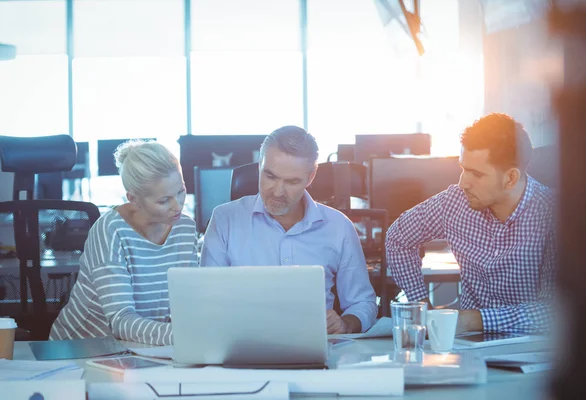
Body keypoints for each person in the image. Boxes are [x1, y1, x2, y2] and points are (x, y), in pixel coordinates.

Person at [386, 113, 556, 334]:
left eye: (476, 174)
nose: (463, 183)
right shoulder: (454, 202)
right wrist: (422, 310)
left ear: (511, 178)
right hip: (467, 346)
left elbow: (555, 312)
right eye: (463, 168)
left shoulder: (555, 215)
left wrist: (473, 320)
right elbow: (398, 238)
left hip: (532, 350)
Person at [200, 125, 377, 334]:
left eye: (292, 181)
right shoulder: (224, 220)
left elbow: (363, 303)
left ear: (310, 177)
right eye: (270, 176)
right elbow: (207, 303)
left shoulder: (339, 227)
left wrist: (345, 323)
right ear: (260, 166)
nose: (277, 191)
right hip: (242, 346)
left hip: (317, 349)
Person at [50, 140, 199, 345]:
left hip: (140, 348)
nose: (178, 206)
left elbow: (187, 302)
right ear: (134, 199)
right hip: (79, 347)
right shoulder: (110, 231)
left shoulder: (185, 228)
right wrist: (184, 336)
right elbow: (121, 321)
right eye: (164, 201)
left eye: (181, 191)